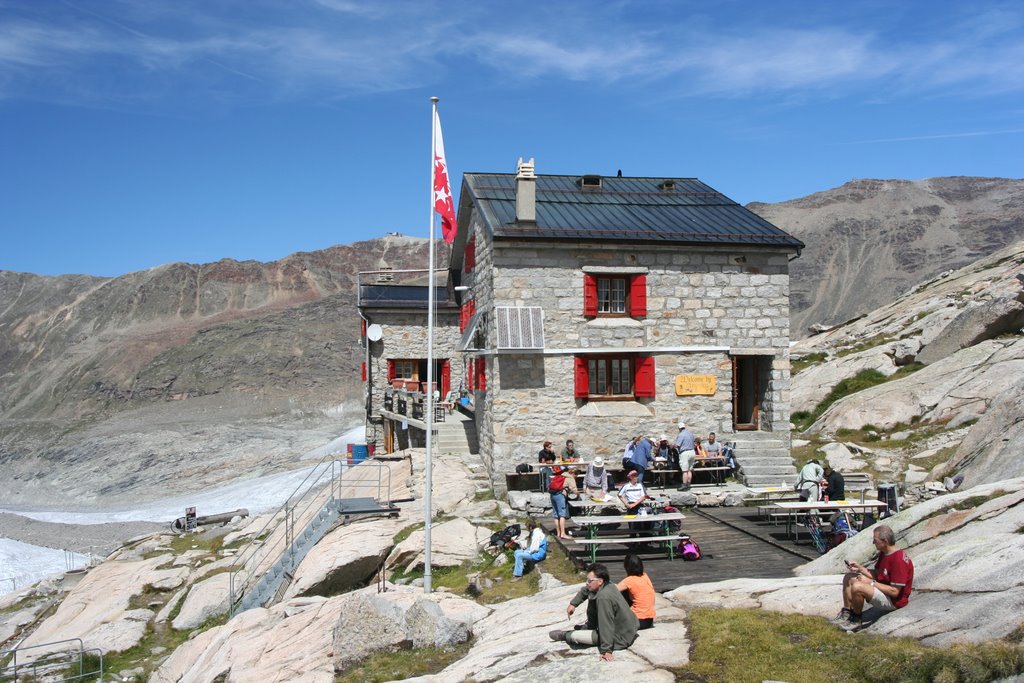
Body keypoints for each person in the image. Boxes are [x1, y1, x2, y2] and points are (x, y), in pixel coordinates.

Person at [550, 563, 640, 661]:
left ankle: (565, 635)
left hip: (619, 637)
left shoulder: (603, 597)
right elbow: (586, 590)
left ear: (600, 581)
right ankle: (589, 627)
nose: (587, 583)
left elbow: (606, 623)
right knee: (592, 596)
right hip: (629, 630)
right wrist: (573, 604)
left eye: (589, 580)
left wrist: (606, 650)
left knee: (575, 636)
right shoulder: (609, 585)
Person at [833, 525, 914, 631]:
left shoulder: (898, 560)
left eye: (875, 540)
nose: (873, 542)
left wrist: (870, 582)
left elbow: (895, 592)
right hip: (885, 590)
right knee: (849, 577)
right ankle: (847, 613)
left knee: (857, 587)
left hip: (894, 601)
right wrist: (860, 568)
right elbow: (878, 574)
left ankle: (856, 620)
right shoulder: (885, 553)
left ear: (885, 541)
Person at [617, 554, 656, 629]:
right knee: (629, 591)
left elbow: (613, 590)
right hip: (649, 620)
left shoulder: (629, 580)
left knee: (621, 593)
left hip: (637, 620)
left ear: (627, 567)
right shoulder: (645, 576)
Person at [548, 466, 572, 540]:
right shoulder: (564, 477)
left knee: (556, 515)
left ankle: (558, 532)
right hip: (559, 495)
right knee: (562, 515)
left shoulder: (554, 478)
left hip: (552, 495)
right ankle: (563, 534)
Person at [675, 421, 696, 490]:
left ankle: (684, 485)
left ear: (679, 428)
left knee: (684, 470)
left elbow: (678, 445)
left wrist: (672, 445)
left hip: (685, 453)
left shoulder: (681, 435)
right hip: (692, 452)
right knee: (689, 469)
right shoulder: (690, 434)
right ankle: (689, 484)